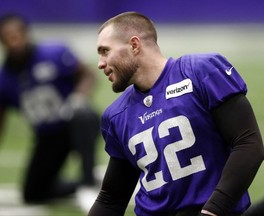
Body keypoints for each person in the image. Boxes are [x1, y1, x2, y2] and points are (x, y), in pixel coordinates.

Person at [88, 11, 264, 216]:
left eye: (105, 51)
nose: (100, 63)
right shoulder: (117, 115)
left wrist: (212, 211)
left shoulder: (199, 72)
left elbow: (248, 144)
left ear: (134, 45)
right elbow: (111, 198)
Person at [0, 13, 100, 204]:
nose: (14, 42)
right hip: (48, 137)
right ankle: (88, 183)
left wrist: (78, 98)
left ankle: (89, 183)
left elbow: (88, 75)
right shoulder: (1, 81)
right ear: (0, 42)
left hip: (72, 122)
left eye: (17, 35)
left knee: (85, 115)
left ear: (26, 34)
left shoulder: (54, 53)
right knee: (33, 193)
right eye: (7, 37)